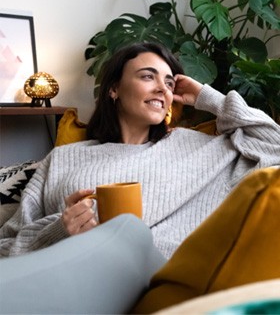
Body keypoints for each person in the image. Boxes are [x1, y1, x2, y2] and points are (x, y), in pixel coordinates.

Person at [0, 42, 280, 259]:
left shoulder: (200, 148)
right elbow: (7, 247)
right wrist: (59, 230)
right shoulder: (64, 158)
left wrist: (206, 97)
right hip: (72, 274)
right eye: (148, 76)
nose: (162, 88)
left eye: (169, 83)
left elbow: (273, 145)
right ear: (114, 89)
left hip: (164, 279)